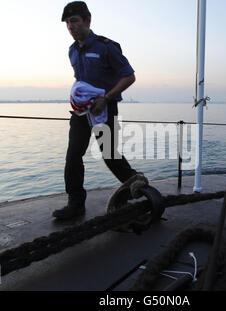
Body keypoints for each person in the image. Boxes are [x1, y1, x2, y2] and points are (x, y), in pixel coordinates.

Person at [53, 1, 140, 220]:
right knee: (73, 156)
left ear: (87, 20)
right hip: (81, 112)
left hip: (105, 108)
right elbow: (80, 79)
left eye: (75, 21)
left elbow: (129, 76)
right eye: (67, 23)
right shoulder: (72, 51)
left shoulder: (106, 46)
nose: (71, 27)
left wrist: (107, 98)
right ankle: (75, 204)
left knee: (109, 155)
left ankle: (138, 187)